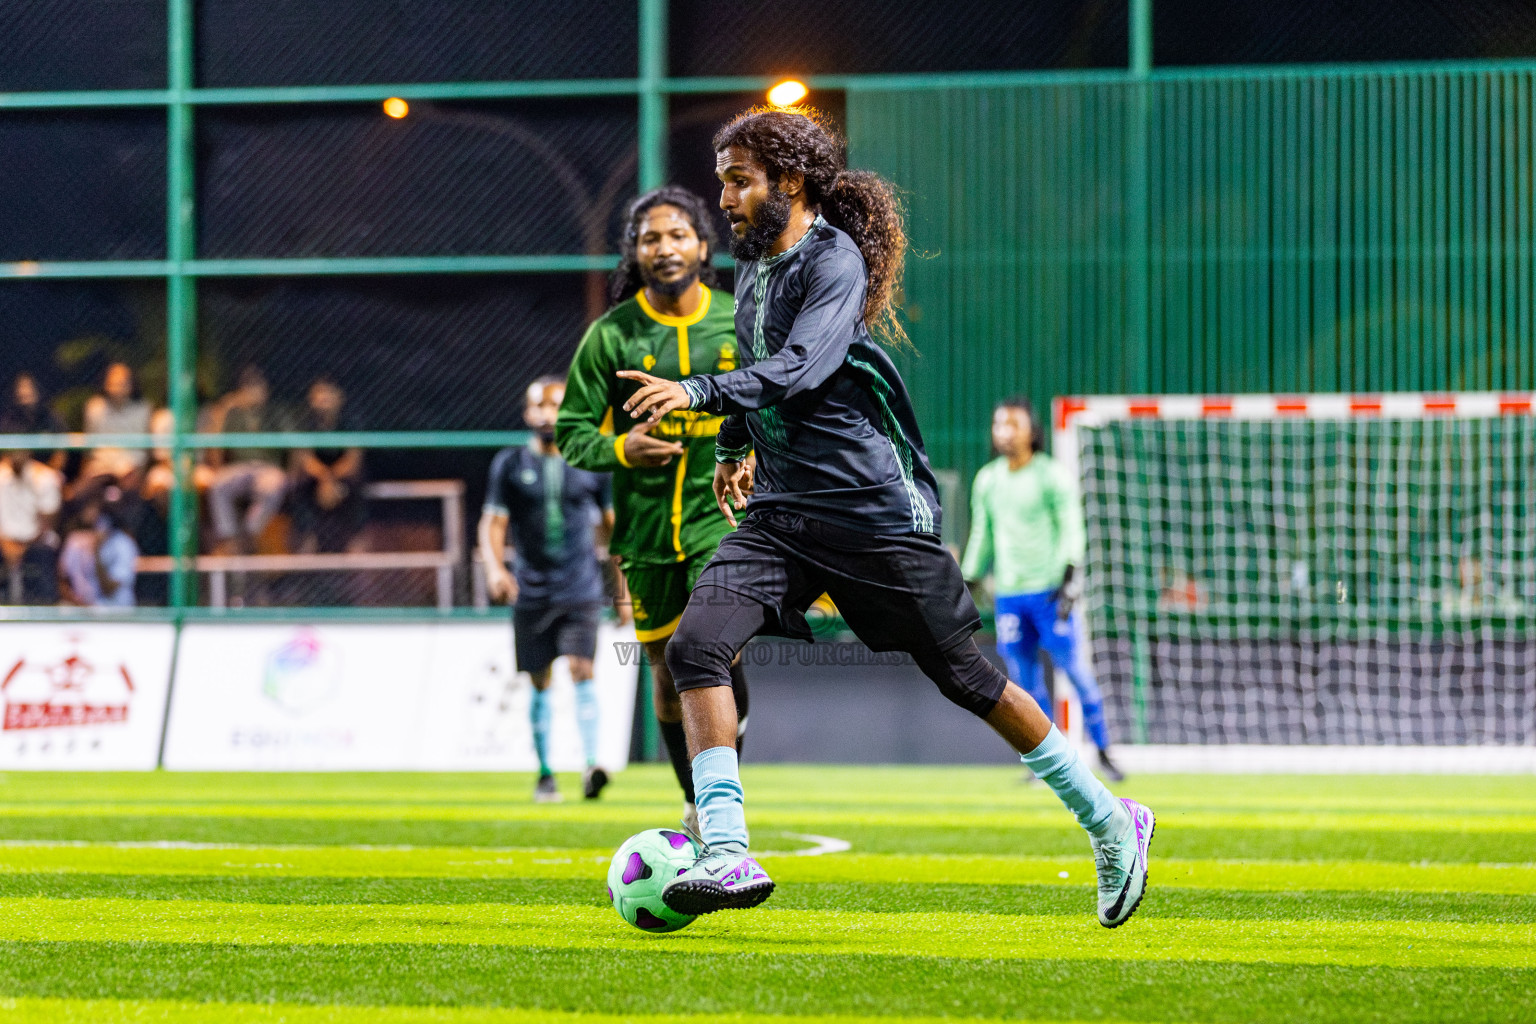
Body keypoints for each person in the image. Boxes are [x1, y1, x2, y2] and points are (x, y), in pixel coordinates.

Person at [617, 108, 1154, 926]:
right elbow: (755, 358)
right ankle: (726, 849)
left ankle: (1109, 819)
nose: (722, 196)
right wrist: (732, 442)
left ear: (788, 182)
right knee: (694, 644)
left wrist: (696, 396)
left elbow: (799, 368)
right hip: (781, 512)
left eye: (738, 179)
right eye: (722, 178)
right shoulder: (756, 258)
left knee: (969, 678)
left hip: (870, 514)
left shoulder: (834, 260)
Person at [556, 185, 753, 832]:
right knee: (668, 677)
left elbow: (779, 399)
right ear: (634, 255)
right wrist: (622, 447)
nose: (664, 247)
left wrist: (756, 453)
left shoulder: (738, 320)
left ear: (703, 245)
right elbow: (571, 433)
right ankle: (697, 801)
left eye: (676, 235)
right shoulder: (611, 336)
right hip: (644, 537)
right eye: (650, 239)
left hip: (721, 522)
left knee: (713, 650)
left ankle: (722, 800)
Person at [962, 396, 1125, 783]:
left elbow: (1071, 525)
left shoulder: (1051, 476)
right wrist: (968, 576)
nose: (1004, 432)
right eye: (999, 424)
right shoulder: (988, 479)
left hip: (1051, 593)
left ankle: (1104, 751)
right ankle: (1047, 763)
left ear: (1031, 431)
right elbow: (983, 533)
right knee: (1025, 683)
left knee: (1077, 672)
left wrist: (1071, 573)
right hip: (1010, 597)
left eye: (1012, 424)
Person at [478, 377, 615, 803]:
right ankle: (545, 773)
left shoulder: (592, 462)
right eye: (539, 405)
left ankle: (592, 764)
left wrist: (626, 584)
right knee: (539, 681)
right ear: (527, 413)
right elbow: (493, 523)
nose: (547, 414)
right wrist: (495, 568)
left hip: (580, 588)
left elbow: (614, 529)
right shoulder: (509, 463)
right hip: (532, 591)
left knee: (582, 668)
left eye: (555, 405)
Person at [205, 365, 293, 555]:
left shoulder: (276, 413)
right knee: (218, 485)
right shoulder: (232, 412)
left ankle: (251, 533)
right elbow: (215, 444)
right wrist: (225, 408)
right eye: (248, 387)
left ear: (266, 389)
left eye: (258, 386)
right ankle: (229, 539)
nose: (253, 392)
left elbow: (297, 447)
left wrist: (292, 474)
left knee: (275, 485)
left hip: (268, 468)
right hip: (240, 467)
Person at [291, 377, 365, 554]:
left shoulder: (350, 420)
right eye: (318, 394)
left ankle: (356, 541)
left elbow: (353, 459)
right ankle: (306, 540)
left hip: (341, 474)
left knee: (357, 483)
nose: (323, 399)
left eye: (328, 393)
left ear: (339, 397)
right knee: (298, 484)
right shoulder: (304, 420)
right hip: (317, 474)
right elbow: (304, 458)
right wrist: (324, 478)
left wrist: (332, 479)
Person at [0, 415, 63, 605]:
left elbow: (48, 523)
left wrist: (22, 547)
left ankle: (44, 605)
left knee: (43, 552)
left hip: (35, 541)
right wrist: (6, 543)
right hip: (4, 541)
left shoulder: (45, 477)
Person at [78, 362, 154, 488]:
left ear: (131, 385)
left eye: (122, 383)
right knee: (82, 492)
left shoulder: (143, 409)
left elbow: (146, 451)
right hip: (101, 466)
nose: (117, 388)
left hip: (131, 467)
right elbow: (89, 447)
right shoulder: (95, 408)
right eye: (113, 383)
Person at [59, 492, 138, 608]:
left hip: (118, 609)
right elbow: (63, 579)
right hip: (90, 607)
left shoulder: (124, 544)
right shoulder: (78, 540)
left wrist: (96, 553)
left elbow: (110, 589)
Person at [5, 373, 67, 474]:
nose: (24, 392)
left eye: (28, 386)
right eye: (21, 387)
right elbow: (5, 456)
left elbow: (61, 453)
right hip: (15, 472)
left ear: (37, 389)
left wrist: (48, 470)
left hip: (46, 471)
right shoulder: (9, 420)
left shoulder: (51, 418)